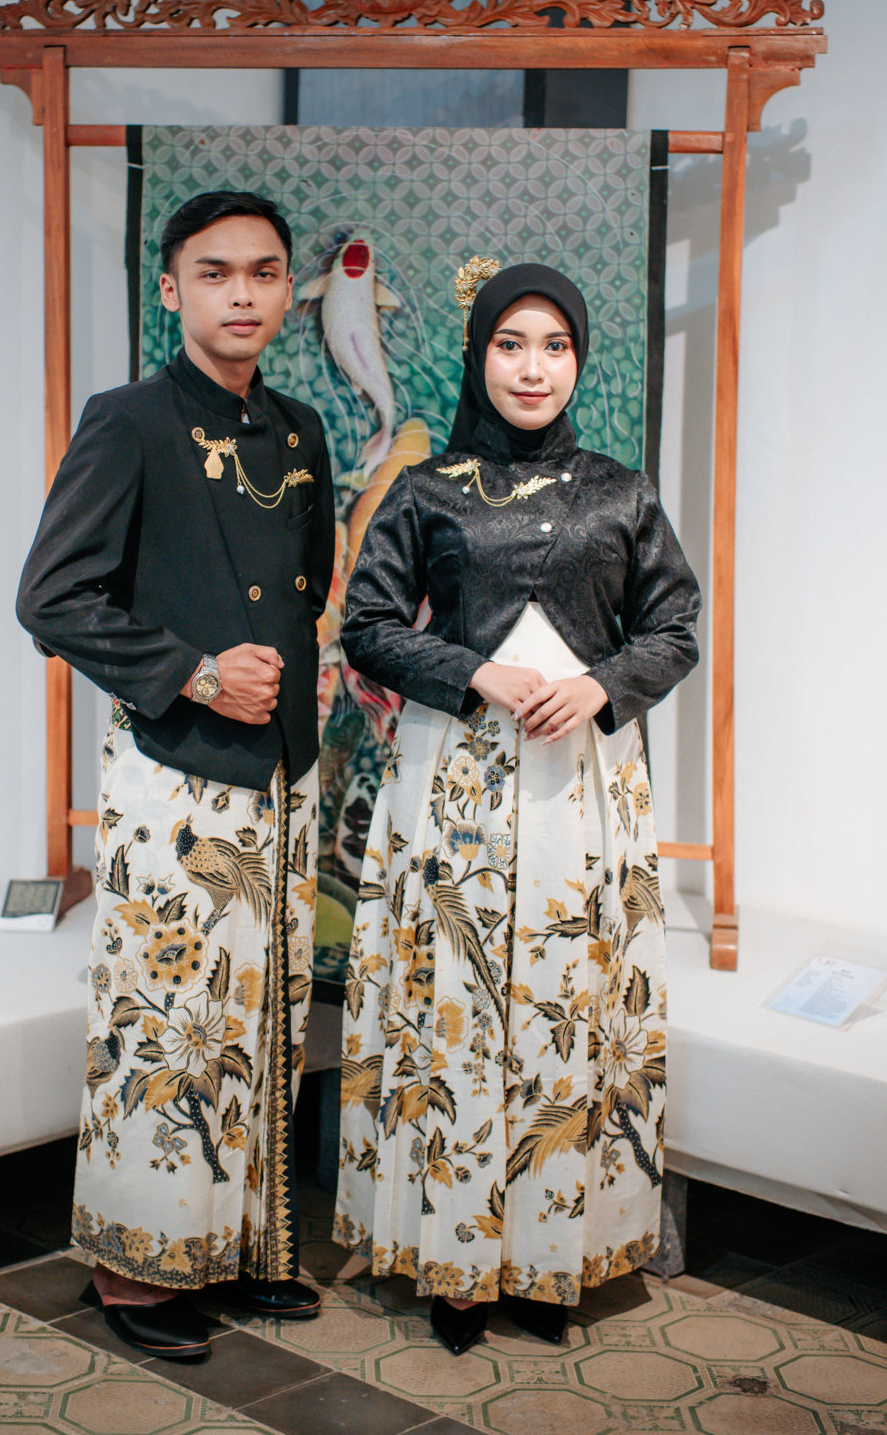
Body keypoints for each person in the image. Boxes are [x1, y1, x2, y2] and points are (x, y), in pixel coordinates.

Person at [332, 260, 701, 1356]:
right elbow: (365, 625)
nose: (533, 367)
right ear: (478, 355)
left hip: (581, 786)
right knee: (457, 1004)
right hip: (455, 786)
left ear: (577, 360)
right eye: (510, 344)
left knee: (568, 1004)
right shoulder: (424, 488)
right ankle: (455, 1259)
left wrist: (602, 685)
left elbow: (674, 627)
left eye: (554, 345)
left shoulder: (623, 491)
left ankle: (552, 1253)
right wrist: (474, 670)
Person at [17, 189, 335, 1360]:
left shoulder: (299, 428)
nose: (241, 293)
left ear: (289, 289)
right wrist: (194, 672)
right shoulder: (129, 420)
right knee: (165, 1022)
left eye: (262, 272)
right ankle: (134, 1270)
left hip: (282, 770)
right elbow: (50, 596)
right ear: (171, 289)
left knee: (260, 1018)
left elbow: (310, 584)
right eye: (214, 272)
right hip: (172, 772)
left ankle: (235, 1246)